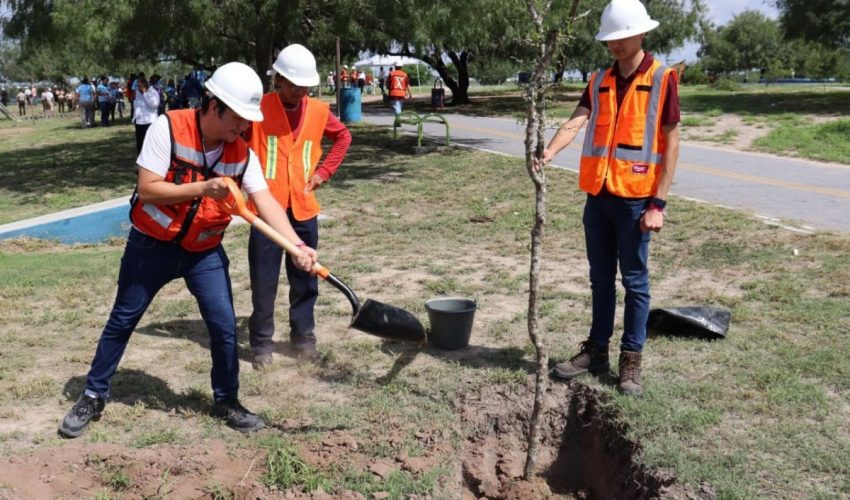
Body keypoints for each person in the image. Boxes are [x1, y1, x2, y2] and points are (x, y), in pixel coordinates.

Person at [57, 62, 318, 439]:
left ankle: (227, 399)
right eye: (239, 118)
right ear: (214, 107)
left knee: (224, 326)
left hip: (204, 252)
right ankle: (93, 395)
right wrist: (203, 188)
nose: (244, 127)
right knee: (123, 319)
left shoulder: (243, 154)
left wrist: (296, 245)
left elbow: (266, 202)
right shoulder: (167, 127)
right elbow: (148, 188)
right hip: (151, 247)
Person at [533, 0, 680, 397]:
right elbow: (577, 119)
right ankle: (596, 350)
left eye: (622, 37)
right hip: (598, 196)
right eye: (610, 39)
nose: (615, 45)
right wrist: (549, 151)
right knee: (600, 279)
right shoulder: (599, 79)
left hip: (635, 199)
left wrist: (658, 204)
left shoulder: (663, 78)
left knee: (635, 281)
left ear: (641, 33)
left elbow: (671, 144)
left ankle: (630, 360)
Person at [244, 43, 351, 368]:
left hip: (303, 209)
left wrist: (323, 172)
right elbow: (235, 142)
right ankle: (261, 344)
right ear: (278, 80)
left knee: (305, 280)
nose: (300, 91)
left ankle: (304, 340)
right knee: (264, 283)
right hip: (266, 212)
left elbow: (343, 137)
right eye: (293, 85)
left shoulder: (318, 111)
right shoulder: (258, 109)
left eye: (305, 86)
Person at [132, 77, 160, 153]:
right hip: (139, 121)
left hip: (149, 121)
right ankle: (141, 157)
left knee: (149, 142)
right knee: (140, 143)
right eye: (138, 86)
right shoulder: (138, 92)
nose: (138, 88)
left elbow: (154, 105)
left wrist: (145, 93)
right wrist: (135, 117)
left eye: (140, 86)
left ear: (145, 85)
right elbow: (137, 105)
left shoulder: (152, 92)